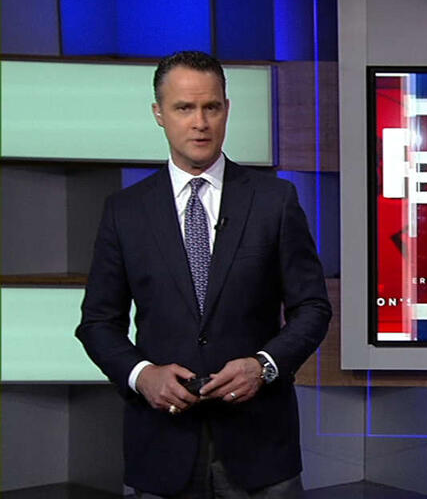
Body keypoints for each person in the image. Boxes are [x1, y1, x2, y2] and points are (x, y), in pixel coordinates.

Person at [76, 50, 331, 498]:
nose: (200, 122)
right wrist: (142, 375)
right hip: (162, 443)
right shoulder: (125, 212)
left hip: (260, 447)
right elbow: (98, 323)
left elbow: (312, 307)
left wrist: (264, 366)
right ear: (158, 113)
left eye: (211, 107)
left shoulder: (275, 201)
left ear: (227, 109)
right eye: (184, 108)